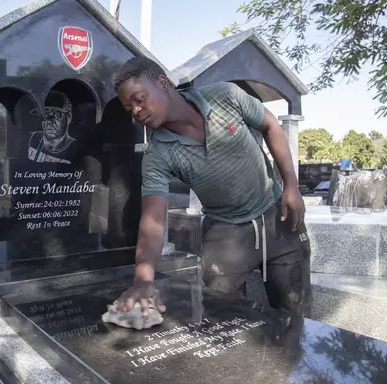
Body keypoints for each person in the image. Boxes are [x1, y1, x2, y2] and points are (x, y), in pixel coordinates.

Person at [112, 56, 311, 318]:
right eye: (130, 109)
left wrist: (291, 187)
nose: (137, 112)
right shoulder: (157, 155)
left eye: (139, 99)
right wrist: (143, 279)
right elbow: (153, 220)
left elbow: (271, 125)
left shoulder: (226, 96)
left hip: (278, 220)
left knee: (296, 318)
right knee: (226, 325)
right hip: (225, 233)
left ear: (162, 83)